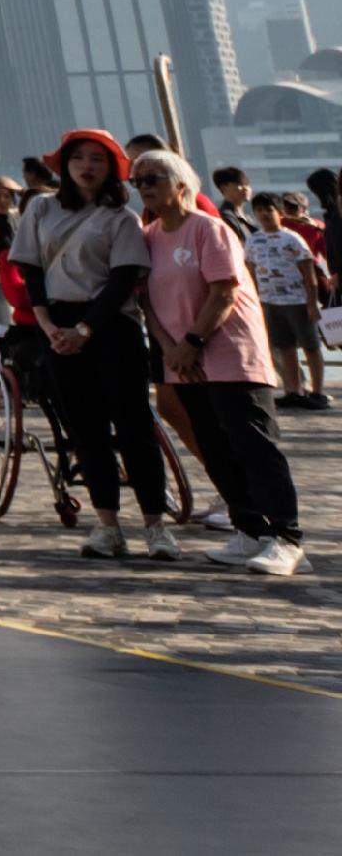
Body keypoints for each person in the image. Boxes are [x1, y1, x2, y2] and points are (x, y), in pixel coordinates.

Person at [10, 129, 180, 561]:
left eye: (98, 160)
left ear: (112, 170)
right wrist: (49, 325)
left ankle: (156, 525)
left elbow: (123, 279)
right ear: (64, 165)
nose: (87, 166)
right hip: (56, 326)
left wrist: (84, 330)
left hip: (111, 326)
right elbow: (30, 269)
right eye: (79, 158)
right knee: (85, 430)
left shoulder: (120, 219)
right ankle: (107, 526)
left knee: (134, 427)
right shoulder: (41, 209)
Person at [136, 150, 301, 575]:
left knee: (254, 446)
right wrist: (173, 349)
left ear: (180, 183)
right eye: (138, 181)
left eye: (154, 177)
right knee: (213, 446)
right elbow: (147, 304)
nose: (145, 186)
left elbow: (224, 292)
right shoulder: (149, 236)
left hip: (230, 355)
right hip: (183, 360)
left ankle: (285, 537)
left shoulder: (208, 229)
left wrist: (192, 341)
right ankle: (249, 529)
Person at [247, 192, 329, 412]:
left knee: (311, 346)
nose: (264, 214)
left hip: (297, 300)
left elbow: (309, 274)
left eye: (269, 210)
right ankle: (293, 390)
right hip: (269, 301)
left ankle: (317, 391)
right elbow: (250, 272)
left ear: (280, 213)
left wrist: (312, 304)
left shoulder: (292, 238)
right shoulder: (253, 240)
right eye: (259, 210)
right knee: (285, 347)